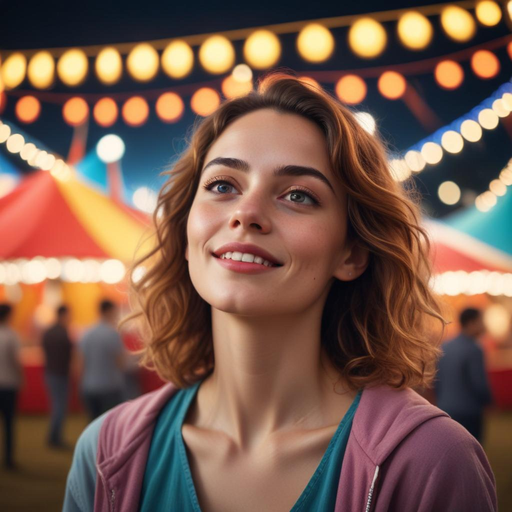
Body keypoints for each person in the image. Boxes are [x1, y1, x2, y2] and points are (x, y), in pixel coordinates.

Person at [64, 74, 497, 511]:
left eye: (297, 195)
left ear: (352, 253)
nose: (246, 213)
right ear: (185, 227)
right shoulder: (104, 456)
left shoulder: (430, 462)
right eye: (222, 186)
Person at [435, 307, 493, 444]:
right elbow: (479, 383)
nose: (484, 325)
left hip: (446, 408)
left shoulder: (445, 346)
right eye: (481, 321)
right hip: (469, 411)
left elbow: (436, 380)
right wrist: (489, 401)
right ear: (471, 323)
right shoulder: (474, 349)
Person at [77, 300, 126, 422]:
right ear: (109, 311)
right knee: (110, 426)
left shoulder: (87, 333)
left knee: (93, 424)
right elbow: (121, 362)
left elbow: (80, 362)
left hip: (90, 385)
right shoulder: (113, 334)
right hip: (110, 386)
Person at [42, 305, 73, 449]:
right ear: (63, 314)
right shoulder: (62, 332)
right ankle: (55, 438)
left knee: (56, 405)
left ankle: (53, 436)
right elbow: (69, 354)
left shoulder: (48, 331)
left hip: (50, 372)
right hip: (60, 373)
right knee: (59, 406)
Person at [0, 303, 23, 470]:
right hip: (9, 384)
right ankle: (8, 459)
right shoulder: (11, 335)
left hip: (7, 384)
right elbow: (16, 361)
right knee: (9, 423)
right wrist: (21, 379)